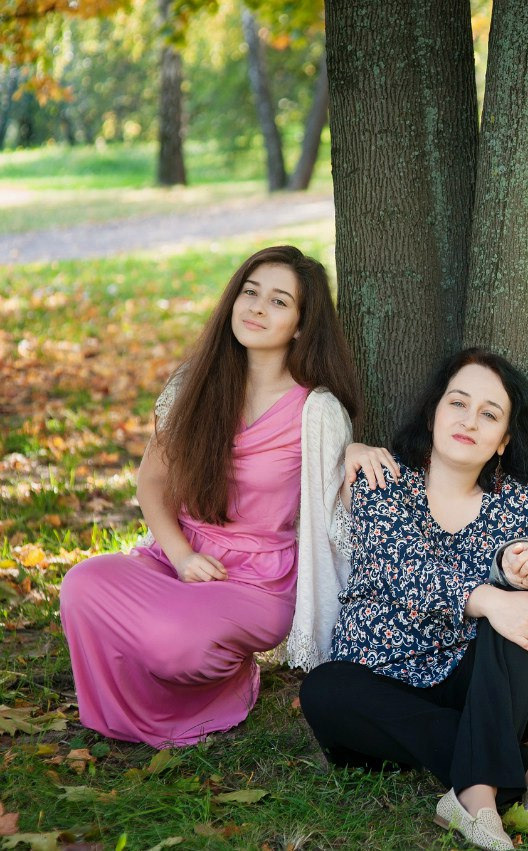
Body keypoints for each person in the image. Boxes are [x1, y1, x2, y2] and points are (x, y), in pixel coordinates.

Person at [59, 245, 364, 748]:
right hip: (180, 555)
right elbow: (152, 482)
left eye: (279, 301)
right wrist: (181, 556)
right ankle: (128, 711)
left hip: (260, 580)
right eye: (250, 292)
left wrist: (357, 453)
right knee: (82, 585)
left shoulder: (318, 411)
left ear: (303, 326)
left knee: (177, 642)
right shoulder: (193, 384)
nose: (257, 308)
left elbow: (335, 518)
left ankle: (227, 684)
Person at [298, 349, 528, 851]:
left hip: (487, 686)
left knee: (523, 608)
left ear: (504, 441)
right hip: (383, 688)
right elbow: (401, 572)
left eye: (490, 414)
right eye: (458, 403)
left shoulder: (522, 501)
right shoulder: (381, 481)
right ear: (434, 411)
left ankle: (473, 799)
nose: (469, 421)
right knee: (323, 689)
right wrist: (484, 599)